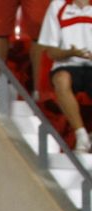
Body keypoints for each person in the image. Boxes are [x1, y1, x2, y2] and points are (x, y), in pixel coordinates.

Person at [41, 0, 92, 154]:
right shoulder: (58, 6)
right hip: (66, 64)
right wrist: (71, 53)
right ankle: (81, 136)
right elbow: (51, 52)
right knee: (61, 79)